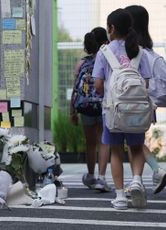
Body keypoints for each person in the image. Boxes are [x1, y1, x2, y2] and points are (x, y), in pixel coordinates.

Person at [92, 8, 151, 210]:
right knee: (136, 148)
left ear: (111, 28)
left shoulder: (104, 52)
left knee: (115, 151)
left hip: (112, 111)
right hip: (136, 111)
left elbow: (98, 84)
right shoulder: (140, 51)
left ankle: (119, 197)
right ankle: (136, 180)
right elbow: (147, 84)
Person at [125, 5, 166, 195]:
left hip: (131, 103)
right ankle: (141, 179)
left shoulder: (131, 53)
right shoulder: (153, 55)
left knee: (132, 142)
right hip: (148, 106)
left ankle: (147, 176)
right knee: (135, 142)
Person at [70, 27, 111, 192]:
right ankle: (102, 178)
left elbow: (75, 89)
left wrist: (72, 111)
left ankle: (90, 175)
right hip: (103, 105)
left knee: (90, 143)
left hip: (85, 107)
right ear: (104, 42)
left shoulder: (81, 63)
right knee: (103, 141)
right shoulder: (108, 60)